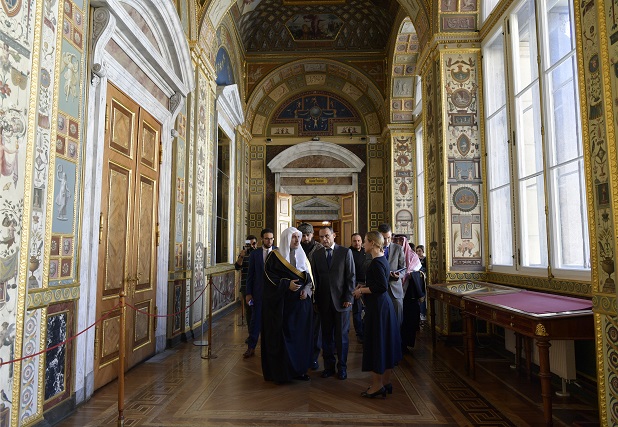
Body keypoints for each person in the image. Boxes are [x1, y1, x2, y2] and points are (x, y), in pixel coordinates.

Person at [352, 231, 401, 398]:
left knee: (377, 345)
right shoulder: (381, 260)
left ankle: (376, 385)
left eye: (365, 241)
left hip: (379, 309)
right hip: (381, 307)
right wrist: (363, 287)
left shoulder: (376, 263)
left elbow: (380, 287)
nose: (363, 244)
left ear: (372, 243)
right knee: (385, 344)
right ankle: (385, 382)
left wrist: (361, 291)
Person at [262, 227, 314, 383]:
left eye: (299, 237)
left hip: (300, 307)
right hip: (282, 308)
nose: (298, 240)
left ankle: (299, 370)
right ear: (286, 239)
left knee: (300, 339)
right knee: (283, 341)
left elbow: (309, 277)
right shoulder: (274, 257)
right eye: (294, 237)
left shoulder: (302, 256)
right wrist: (286, 285)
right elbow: (269, 280)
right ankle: (282, 373)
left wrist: (306, 289)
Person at [312, 226, 355, 380]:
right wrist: (315, 300)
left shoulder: (345, 252)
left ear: (334, 235)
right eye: (321, 237)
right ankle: (329, 366)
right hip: (323, 302)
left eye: (327, 236)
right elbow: (315, 279)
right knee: (326, 336)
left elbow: (351, 276)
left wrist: (348, 298)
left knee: (341, 336)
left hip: (342, 302)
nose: (324, 239)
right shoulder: (316, 255)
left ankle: (342, 367)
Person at [242, 229, 275, 358]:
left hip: (273, 294)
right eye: (267, 238)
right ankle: (251, 347)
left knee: (272, 321)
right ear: (262, 239)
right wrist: (248, 293)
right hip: (258, 293)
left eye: (271, 238)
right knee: (255, 321)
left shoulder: (278, 251)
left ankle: (272, 348)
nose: (269, 241)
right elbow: (250, 275)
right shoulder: (255, 254)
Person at [298, 222, 324, 370]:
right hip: (300, 293)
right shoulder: (296, 248)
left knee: (316, 328)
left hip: (316, 293)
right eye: (303, 235)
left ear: (312, 235)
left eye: (308, 235)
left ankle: (314, 357)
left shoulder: (319, 249)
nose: (305, 238)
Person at [397, 235, 423, 351]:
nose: (399, 243)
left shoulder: (413, 256)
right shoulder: (392, 254)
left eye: (401, 241)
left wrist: (407, 274)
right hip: (395, 290)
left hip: (409, 293)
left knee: (408, 320)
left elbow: (417, 270)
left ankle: (405, 344)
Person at [377, 223, 405, 326]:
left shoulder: (398, 249)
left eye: (389, 237)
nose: (387, 241)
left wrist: (399, 275)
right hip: (379, 289)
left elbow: (403, 269)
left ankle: (396, 341)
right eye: (384, 238)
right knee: (382, 320)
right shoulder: (373, 249)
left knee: (398, 320)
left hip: (395, 289)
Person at [235, 234, 258, 339]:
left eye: (253, 243)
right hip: (246, 288)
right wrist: (241, 256)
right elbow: (237, 267)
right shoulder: (243, 254)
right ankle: (251, 335)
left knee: (258, 311)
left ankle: (258, 333)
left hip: (258, 288)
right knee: (249, 312)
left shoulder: (259, 253)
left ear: (256, 243)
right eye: (249, 243)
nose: (252, 245)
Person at [349, 232, 367, 343]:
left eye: (359, 240)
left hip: (366, 284)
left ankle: (366, 332)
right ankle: (359, 334)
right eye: (354, 241)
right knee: (357, 311)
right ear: (351, 242)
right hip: (354, 285)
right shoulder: (348, 252)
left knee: (367, 311)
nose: (357, 243)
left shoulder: (366, 252)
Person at [416, 245, 428, 321]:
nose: (418, 252)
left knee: (423, 296)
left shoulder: (425, 259)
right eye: (417, 251)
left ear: (423, 251)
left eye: (419, 251)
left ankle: (423, 313)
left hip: (423, 279)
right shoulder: (416, 259)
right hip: (417, 279)